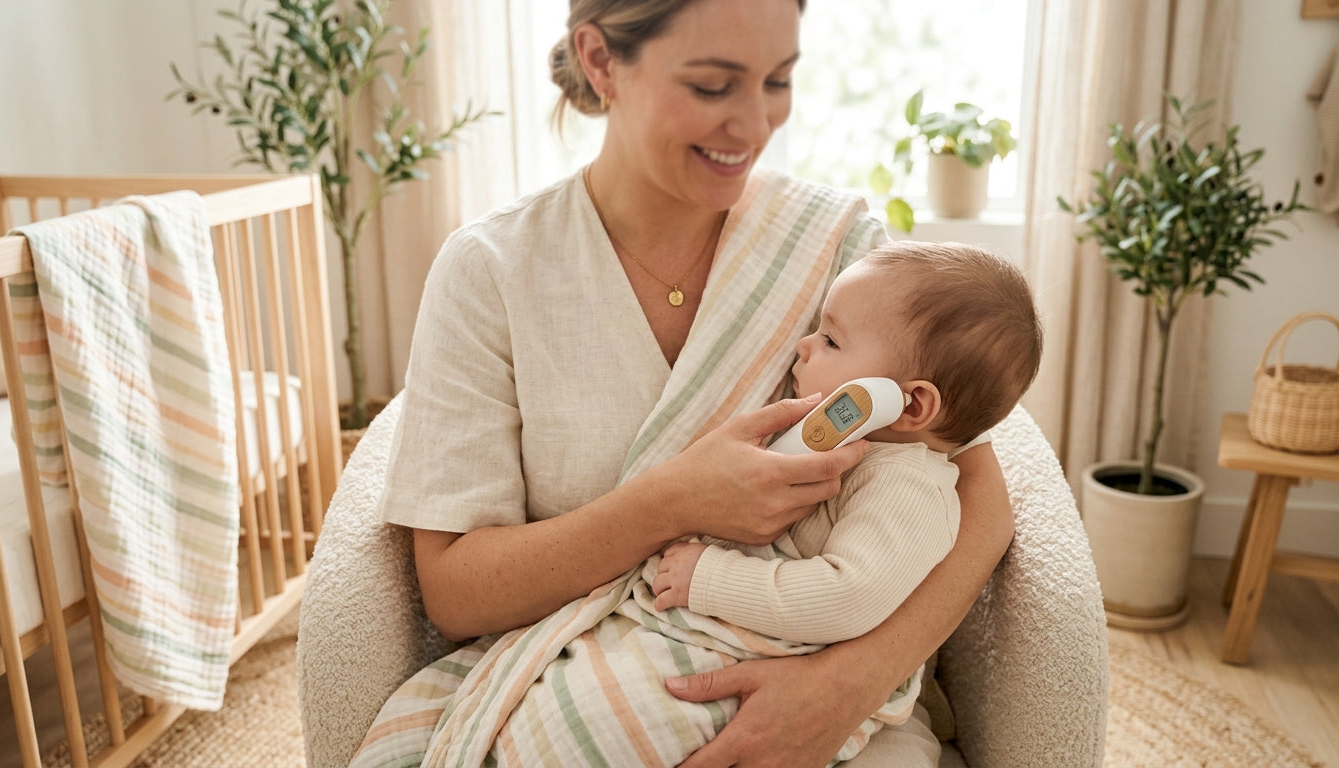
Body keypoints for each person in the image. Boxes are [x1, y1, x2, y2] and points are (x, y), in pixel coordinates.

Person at [352, 2, 1016, 767]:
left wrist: (845, 686)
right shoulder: (492, 272)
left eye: (778, 80)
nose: (755, 123)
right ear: (601, 61)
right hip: (586, 685)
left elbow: (977, 495)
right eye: (711, 87)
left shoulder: (842, 251)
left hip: (829, 699)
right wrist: (671, 502)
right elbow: (456, 593)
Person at [652, 241, 1043, 653]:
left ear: (910, 404)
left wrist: (711, 578)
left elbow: (845, 597)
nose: (804, 345)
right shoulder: (849, 443)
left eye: (831, 341)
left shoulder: (909, 489)